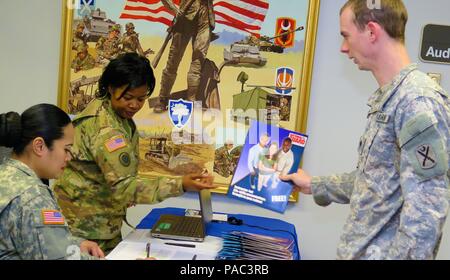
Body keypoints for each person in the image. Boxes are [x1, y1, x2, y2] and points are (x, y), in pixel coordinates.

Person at [282, 0, 450, 260]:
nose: (343, 47)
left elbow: (426, 213)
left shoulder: (416, 101)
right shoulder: (390, 98)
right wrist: (314, 185)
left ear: (372, 31)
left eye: (346, 35)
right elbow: (375, 182)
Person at [53, 53, 215, 253]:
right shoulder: (106, 130)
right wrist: (181, 184)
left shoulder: (112, 113)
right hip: (85, 232)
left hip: (97, 223)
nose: (135, 105)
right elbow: (124, 187)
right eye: (128, 98)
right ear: (111, 88)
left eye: (141, 99)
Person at [0, 104, 104, 260]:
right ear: (39, 146)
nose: (69, 157)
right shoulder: (33, 197)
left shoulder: (6, 173)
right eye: (66, 149)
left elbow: (27, 237)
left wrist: (75, 243)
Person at [154, 0, 216, 113]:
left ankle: (191, 99)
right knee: (173, 61)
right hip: (185, 18)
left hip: (205, 17)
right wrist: (174, 9)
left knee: (198, 61)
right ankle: (163, 98)